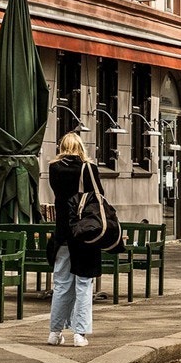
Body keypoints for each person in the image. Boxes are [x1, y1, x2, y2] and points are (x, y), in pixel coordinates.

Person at [47, 132, 103, 348]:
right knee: (83, 283)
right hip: (85, 234)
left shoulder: (54, 169)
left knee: (61, 284)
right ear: (80, 147)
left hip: (62, 234)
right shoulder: (88, 168)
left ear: (62, 147)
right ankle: (79, 334)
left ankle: (54, 332)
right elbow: (98, 197)